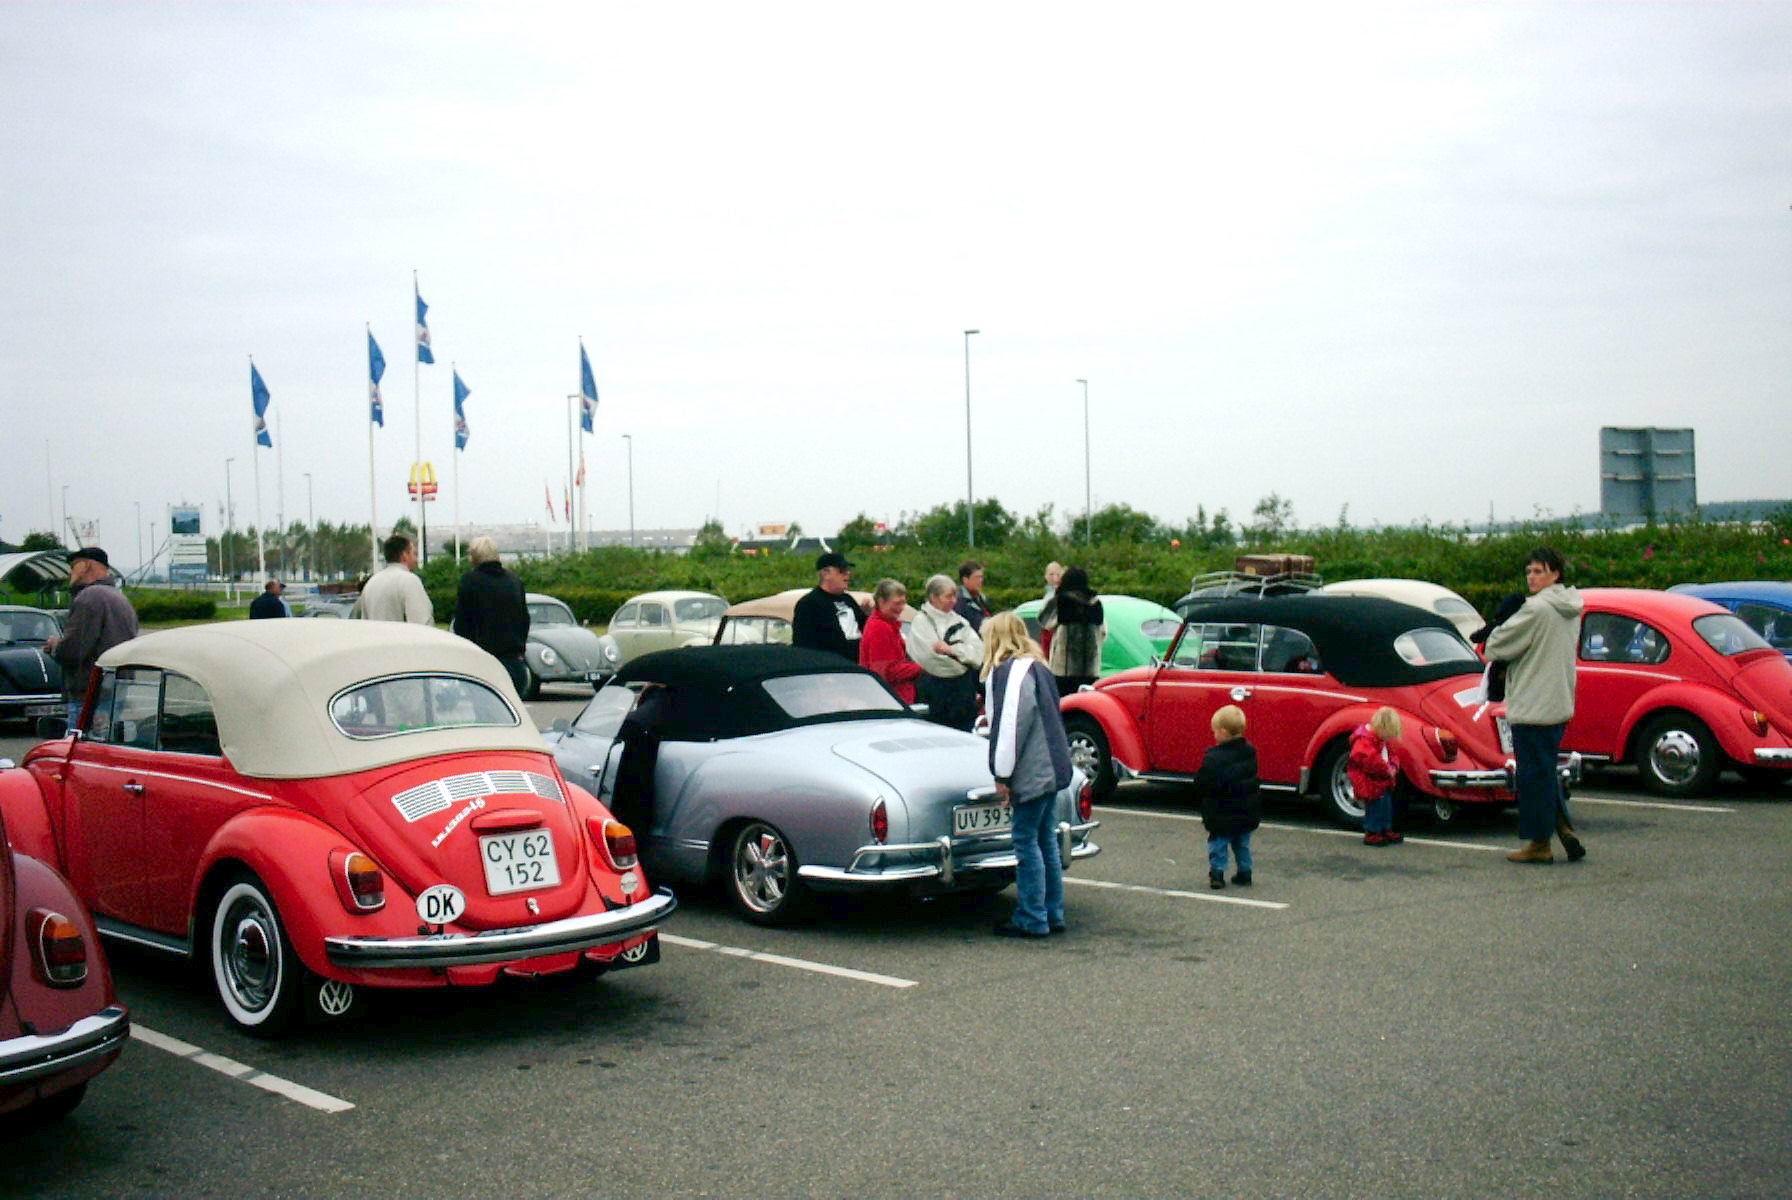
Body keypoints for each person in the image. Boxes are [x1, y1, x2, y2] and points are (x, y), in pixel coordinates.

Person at [1486, 546, 1586, 864]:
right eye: (1529, 571)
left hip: (1532, 702)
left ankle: (1539, 844)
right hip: (1559, 700)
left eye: (1539, 571)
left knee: (1532, 777)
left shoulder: (1536, 609)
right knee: (1545, 771)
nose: (1531, 577)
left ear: (1555, 573)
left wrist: (1500, 623)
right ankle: (1563, 829)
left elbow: (1496, 646)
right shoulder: (1571, 606)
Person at [982, 612, 1073, 938]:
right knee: (1046, 839)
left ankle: (1032, 916)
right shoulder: (1038, 666)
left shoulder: (1009, 672)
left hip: (1033, 770)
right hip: (1053, 766)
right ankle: (1052, 911)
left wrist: (1001, 773)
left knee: (1025, 841)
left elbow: (1010, 727)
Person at [44, 547, 139, 728]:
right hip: (115, 688)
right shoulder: (118, 597)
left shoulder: (89, 597)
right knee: (105, 741)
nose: (70, 573)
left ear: (85, 565)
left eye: (73, 567)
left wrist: (55, 646)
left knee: (81, 742)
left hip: (90, 695)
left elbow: (74, 650)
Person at [905, 574, 984, 731]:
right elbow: (930, 658)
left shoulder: (960, 621)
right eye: (948, 596)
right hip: (934, 692)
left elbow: (978, 653)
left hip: (963, 693)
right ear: (933, 597)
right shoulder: (921, 622)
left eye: (955, 596)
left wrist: (950, 650)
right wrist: (963, 654)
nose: (953, 601)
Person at [453, 537, 531, 695]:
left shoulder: (470, 581)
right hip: (513, 662)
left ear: (474, 558)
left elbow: (462, 624)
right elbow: (525, 619)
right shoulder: (514, 580)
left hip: (482, 662)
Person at [1195, 704, 1261, 888]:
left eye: (1215, 731)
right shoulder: (1250, 752)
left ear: (1223, 732)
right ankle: (1245, 872)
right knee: (1242, 844)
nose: (1214, 735)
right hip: (1246, 810)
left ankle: (1217, 874)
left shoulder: (1214, 758)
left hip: (1221, 811)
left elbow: (1204, 781)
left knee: (1219, 843)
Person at [1040, 566, 1105, 694]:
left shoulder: (1061, 600)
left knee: (1064, 703)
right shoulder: (1096, 603)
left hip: (1064, 670)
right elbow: (1103, 632)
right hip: (1090, 670)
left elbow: (1043, 620)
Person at [791, 551, 865, 661]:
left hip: (856, 665)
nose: (847, 574)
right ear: (825, 573)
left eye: (847, 570)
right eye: (842, 571)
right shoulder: (809, 604)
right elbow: (803, 645)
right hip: (831, 665)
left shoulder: (848, 599)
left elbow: (865, 628)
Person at [859, 578, 923, 704]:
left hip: (895, 697)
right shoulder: (880, 628)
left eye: (903, 603)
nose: (901, 608)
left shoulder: (888, 625)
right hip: (890, 700)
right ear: (881, 602)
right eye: (897, 603)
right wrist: (921, 667)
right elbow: (885, 671)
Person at [1350, 706, 1405, 847]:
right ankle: (1372, 832)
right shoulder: (1364, 741)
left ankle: (1385, 828)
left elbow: (1392, 755)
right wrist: (1387, 769)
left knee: (1386, 805)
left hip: (1382, 780)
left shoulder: (1380, 740)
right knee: (1375, 806)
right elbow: (1370, 761)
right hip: (1371, 781)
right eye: (1389, 734)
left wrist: (1394, 765)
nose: (1389, 738)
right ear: (1383, 728)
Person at [352, 533, 434, 624]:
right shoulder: (409, 581)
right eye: (414, 554)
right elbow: (421, 623)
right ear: (404, 555)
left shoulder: (371, 584)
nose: (416, 560)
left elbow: (365, 622)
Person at [954, 560, 993, 633]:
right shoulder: (958, 602)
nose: (980, 580)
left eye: (981, 577)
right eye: (977, 577)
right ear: (965, 580)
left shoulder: (982, 599)